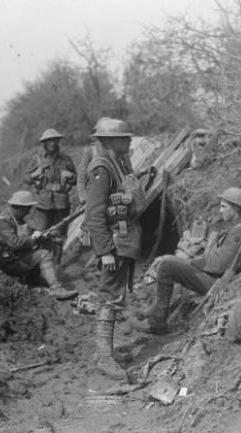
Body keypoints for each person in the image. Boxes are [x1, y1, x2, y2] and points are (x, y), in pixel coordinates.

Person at [131, 187, 241, 335]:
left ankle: (157, 322)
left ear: (236, 209)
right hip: (217, 278)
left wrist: (192, 262)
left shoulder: (240, 232)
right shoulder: (237, 229)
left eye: (224, 207)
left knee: (168, 264)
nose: (220, 211)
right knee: (170, 261)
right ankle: (154, 310)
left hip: (219, 284)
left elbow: (218, 265)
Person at [83, 118, 144, 380]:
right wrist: (105, 251)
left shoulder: (118, 165)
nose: (129, 141)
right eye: (124, 138)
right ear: (108, 141)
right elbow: (94, 214)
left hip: (123, 240)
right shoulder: (102, 169)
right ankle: (105, 358)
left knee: (116, 295)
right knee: (110, 296)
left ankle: (106, 353)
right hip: (113, 244)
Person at [0, 190, 78, 301]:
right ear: (18, 207)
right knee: (43, 254)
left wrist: (45, 235)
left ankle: (33, 278)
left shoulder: (17, 219)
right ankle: (56, 289)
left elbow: (29, 232)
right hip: (5, 264)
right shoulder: (2, 222)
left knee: (46, 242)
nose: (29, 211)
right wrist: (34, 239)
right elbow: (15, 243)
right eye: (27, 208)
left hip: (14, 257)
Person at [24, 128, 76, 264]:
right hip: (42, 203)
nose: (53, 143)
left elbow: (76, 180)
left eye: (55, 140)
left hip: (61, 203)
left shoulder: (66, 159)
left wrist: (70, 176)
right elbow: (26, 178)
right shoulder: (37, 159)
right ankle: (37, 266)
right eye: (49, 141)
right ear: (45, 143)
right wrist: (34, 175)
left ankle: (56, 266)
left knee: (58, 236)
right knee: (39, 234)